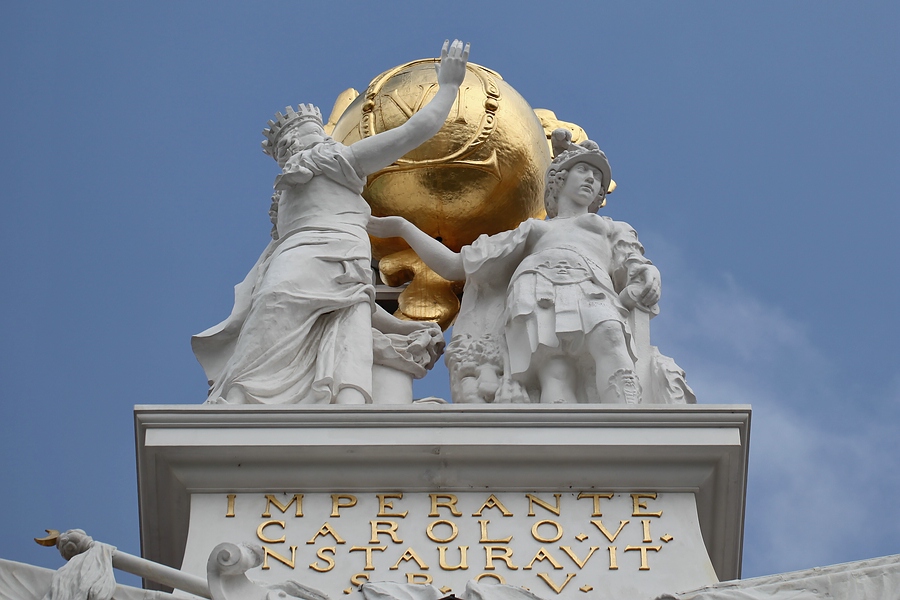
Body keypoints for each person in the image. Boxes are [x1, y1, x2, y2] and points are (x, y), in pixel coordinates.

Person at [192, 40, 469, 405]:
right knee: (272, 307)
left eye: (302, 135)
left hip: (341, 255)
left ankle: (345, 401)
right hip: (296, 254)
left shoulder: (340, 163)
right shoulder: (289, 190)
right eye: (286, 145)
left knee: (345, 324)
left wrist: (448, 86)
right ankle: (241, 398)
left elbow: (412, 132)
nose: (294, 145)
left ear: (322, 138)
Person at [368, 129, 660, 404]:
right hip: (536, 291)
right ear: (560, 179)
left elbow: (634, 263)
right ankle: (557, 437)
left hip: (590, 288)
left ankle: (628, 422)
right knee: (554, 371)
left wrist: (649, 275)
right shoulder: (532, 231)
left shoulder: (609, 228)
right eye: (583, 170)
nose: (591, 180)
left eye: (597, 177)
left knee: (610, 338)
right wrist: (403, 227)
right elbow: (455, 265)